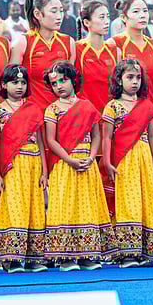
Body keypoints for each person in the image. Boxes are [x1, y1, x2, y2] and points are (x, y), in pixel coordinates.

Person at [42, 60, 111, 269]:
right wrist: (69, 159)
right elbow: (50, 140)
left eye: (63, 80)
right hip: (65, 164)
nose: (59, 86)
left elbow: (96, 135)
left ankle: (87, 255)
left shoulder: (87, 106)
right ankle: (66, 257)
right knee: (65, 205)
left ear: (73, 80)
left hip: (86, 163)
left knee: (86, 205)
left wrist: (91, 157)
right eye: (54, 83)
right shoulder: (52, 109)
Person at [100, 59, 153, 267]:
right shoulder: (112, 107)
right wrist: (108, 162)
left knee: (147, 199)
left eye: (138, 77)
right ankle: (128, 252)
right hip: (124, 160)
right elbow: (106, 137)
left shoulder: (146, 106)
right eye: (129, 77)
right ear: (119, 80)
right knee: (128, 201)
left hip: (144, 158)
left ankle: (148, 250)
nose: (135, 82)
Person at [0, 64, 47, 272]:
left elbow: (41, 142)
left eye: (23, 82)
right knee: (14, 208)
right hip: (11, 166)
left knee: (35, 208)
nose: (19, 86)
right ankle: (11, 258)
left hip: (34, 164)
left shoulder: (33, 109)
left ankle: (33, 257)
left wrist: (44, 171)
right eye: (15, 82)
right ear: (4, 84)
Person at [9, 0, 74, 108]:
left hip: (62, 114)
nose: (59, 16)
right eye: (54, 11)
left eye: (61, 11)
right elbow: (11, 85)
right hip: (33, 114)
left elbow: (71, 84)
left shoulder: (68, 42)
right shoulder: (23, 42)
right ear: (37, 14)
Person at [76, 0, 117, 112]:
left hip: (110, 115)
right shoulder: (77, 49)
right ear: (87, 22)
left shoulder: (114, 50)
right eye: (101, 17)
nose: (107, 21)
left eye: (107, 17)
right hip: (85, 114)